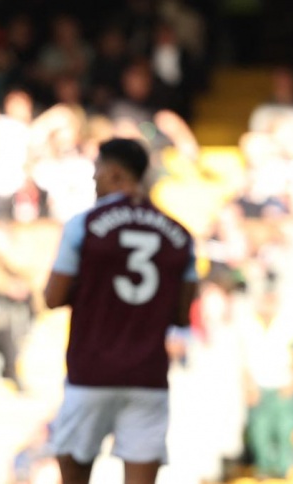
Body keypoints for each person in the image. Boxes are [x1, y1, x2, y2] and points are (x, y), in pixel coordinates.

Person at [42, 137, 198, 484]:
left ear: (113, 174)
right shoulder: (181, 236)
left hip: (90, 374)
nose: (94, 179)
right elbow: (182, 316)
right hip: (148, 377)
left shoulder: (83, 226)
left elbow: (52, 297)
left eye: (96, 171)